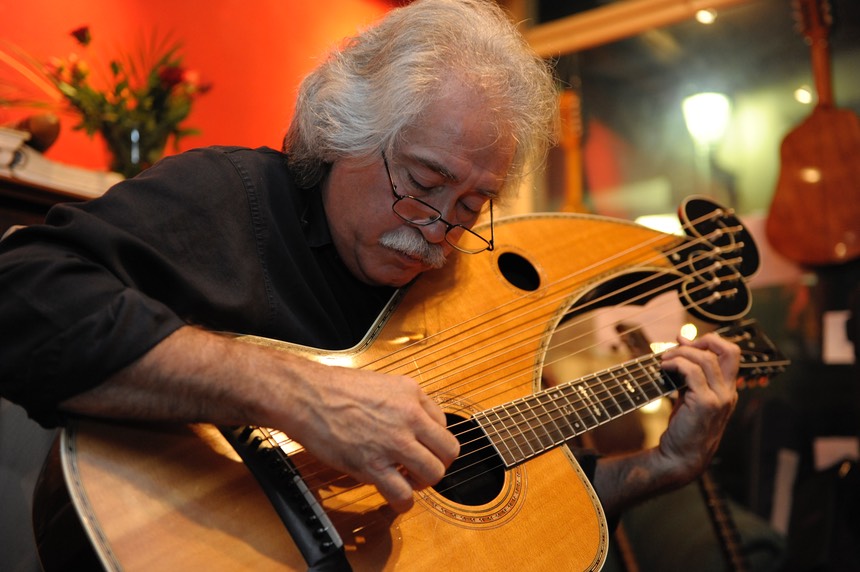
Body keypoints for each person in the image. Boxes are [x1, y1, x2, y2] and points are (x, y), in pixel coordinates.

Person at [0, 0, 738, 545]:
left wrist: (653, 471)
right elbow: (21, 297)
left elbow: (520, 525)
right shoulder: (232, 198)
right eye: (422, 181)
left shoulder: (460, 293)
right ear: (342, 131)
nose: (439, 231)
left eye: (472, 203)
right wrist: (300, 395)